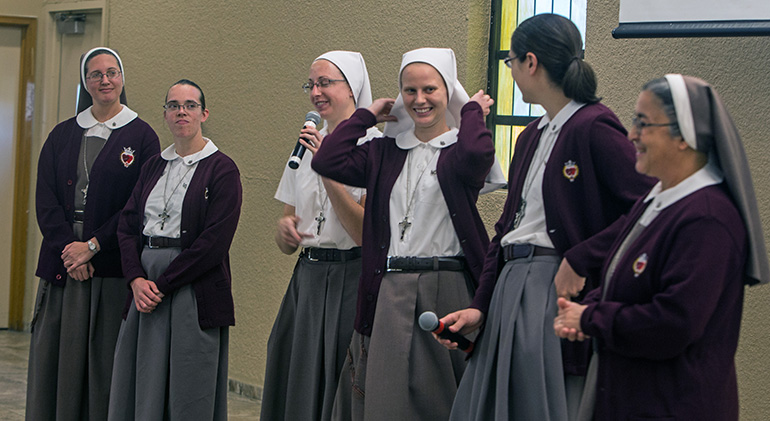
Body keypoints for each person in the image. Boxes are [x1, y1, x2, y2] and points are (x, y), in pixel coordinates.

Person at [437, 14, 655, 421]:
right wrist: (481, 304)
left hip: (551, 290)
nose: (513, 73)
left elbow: (648, 206)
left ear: (531, 62)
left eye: (512, 63)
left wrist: (582, 258)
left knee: (542, 406)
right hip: (509, 288)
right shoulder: (531, 135)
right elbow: (505, 230)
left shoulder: (595, 126)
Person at [554, 74, 770, 420]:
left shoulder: (707, 219)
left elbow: (673, 324)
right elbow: (629, 285)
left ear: (683, 134)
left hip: (675, 405)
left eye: (643, 123)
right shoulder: (658, 200)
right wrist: (584, 313)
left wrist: (592, 317)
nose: (631, 135)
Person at [312, 47, 495, 421]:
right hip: (391, 285)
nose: (419, 100)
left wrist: (472, 111)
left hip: (447, 282)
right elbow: (326, 160)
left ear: (448, 91)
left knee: (443, 397)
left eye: (430, 89)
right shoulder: (384, 151)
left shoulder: (459, 152)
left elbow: (480, 153)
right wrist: (366, 116)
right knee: (387, 396)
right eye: (409, 91)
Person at [26, 47, 160, 421]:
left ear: (122, 79)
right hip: (63, 264)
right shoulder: (63, 134)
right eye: (96, 74)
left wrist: (93, 246)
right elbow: (46, 199)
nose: (105, 80)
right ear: (86, 82)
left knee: (103, 365)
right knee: (57, 360)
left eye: (112, 72)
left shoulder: (143, 136)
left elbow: (138, 206)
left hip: (110, 265)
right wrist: (69, 250)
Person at [108, 79, 242, 420]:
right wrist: (136, 279)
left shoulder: (222, 169)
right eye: (173, 106)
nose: (181, 111)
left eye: (190, 105)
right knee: (140, 380)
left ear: (204, 114)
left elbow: (213, 243)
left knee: (188, 385)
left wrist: (163, 284)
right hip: (145, 285)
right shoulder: (153, 165)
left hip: (189, 288)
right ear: (165, 116)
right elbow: (127, 226)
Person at [260, 51, 381, 421]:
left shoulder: (375, 146)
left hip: (350, 276)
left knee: (339, 375)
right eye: (311, 84)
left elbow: (364, 233)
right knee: (295, 373)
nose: (315, 92)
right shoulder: (305, 144)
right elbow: (286, 239)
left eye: (325, 82)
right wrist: (285, 232)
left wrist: (328, 171)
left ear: (352, 88)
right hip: (307, 279)